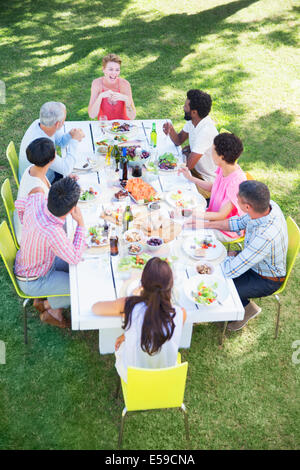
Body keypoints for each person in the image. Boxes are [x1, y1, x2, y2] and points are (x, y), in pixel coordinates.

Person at [204, 181, 288, 331]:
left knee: (219, 287)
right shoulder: (267, 207)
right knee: (218, 271)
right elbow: (236, 223)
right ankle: (245, 307)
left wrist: (208, 262)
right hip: (254, 260)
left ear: (247, 207)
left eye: (238, 198)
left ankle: (246, 309)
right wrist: (206, 225)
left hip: (266, 279)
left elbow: (230, 271)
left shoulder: (265, 236)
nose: (235, 198)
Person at [92, 257, 186, 382]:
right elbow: (157, 328)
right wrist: (126, 335)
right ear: (171, 286)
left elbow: (96, 308)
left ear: (142, 284)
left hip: (134, 379)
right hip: (165, 379)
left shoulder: (130, 306)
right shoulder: (180, 313)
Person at [14, 177, 86, 328]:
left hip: (37, 262)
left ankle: (45, 301)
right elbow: (74, 257)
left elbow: (19, 204)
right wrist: (80, 224)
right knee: (80, 287)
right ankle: (50, 308)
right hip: (34, 280)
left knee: (81, 270)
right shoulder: (53, 232)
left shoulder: (36, 197)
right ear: (72, 209)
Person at [179, 132, 247, 241]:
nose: (211, 153)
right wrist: (190, 178)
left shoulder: (236, 183)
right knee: (179, 218)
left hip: (225, 229)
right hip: (212, 216)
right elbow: (214, 187)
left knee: (186, 233)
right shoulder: (226, 166)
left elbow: (221, 215)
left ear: (222, 157)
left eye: (213, 150)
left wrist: (194, 214)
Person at [163, 89, 218, 199]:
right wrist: (171, 130)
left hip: (205, 181)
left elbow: (188, 166)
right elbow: (178, 141)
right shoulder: (193, 121)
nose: (183, 108)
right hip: (195, 171)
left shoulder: (206, 131)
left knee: (169, 189)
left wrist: (187, 152)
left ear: (194, 112)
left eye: (186, 106)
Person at [19, 101, 85, 182]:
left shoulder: (42, 123)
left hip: (46, 173)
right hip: (42, 183)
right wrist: (74, 141)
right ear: (57, 124)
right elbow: (66, 169)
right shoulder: (41, 145)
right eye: (63, 120)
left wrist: (70, 135)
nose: (64, 123)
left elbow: (61, 142)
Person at [13, 137, 54, 244]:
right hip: (30, 237)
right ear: (52, 159)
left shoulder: (32, 168)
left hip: (33, 221)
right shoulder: (37, 191)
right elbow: (43, 224)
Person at [88, 53, 136, 121]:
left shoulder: (124, 84)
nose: (114, 73)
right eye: (110, 69)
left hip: (123, 127)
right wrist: (100, 97)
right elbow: (92, 115)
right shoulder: (97, 84)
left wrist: (126, 99)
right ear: (103, 69)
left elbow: (132, 117)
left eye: (117, 70)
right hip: (104, 126)